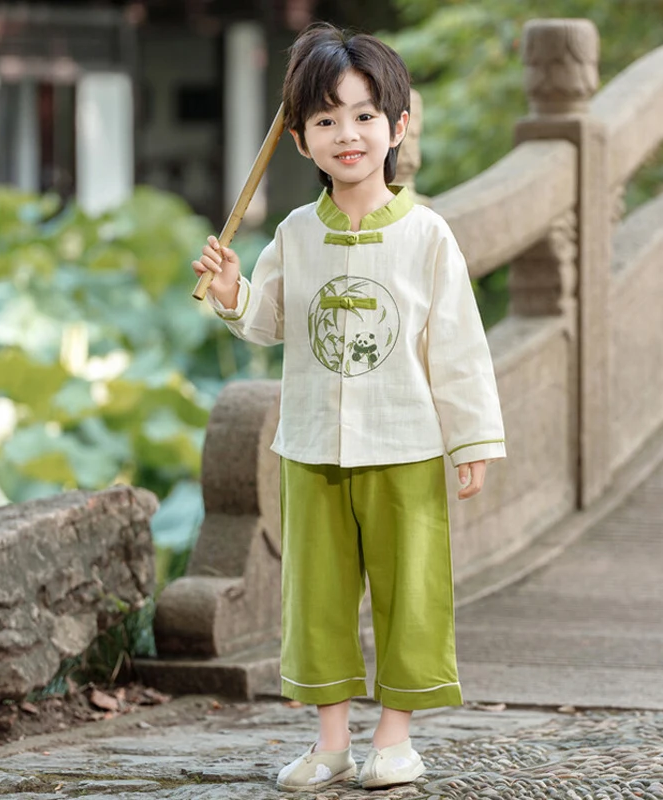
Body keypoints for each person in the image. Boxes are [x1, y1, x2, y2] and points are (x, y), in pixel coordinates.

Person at [191, 22, 506, 793]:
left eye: (365, 115)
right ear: (299, 140)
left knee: (412, 594)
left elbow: (457, 346)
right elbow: (269, 323)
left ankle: (394, 739)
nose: (347, 134)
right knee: (318, 600)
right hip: (312, 448)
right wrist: (234, 291)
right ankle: (331, 741)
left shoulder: (428, 235)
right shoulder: (296, 234)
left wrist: (472, 442)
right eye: (325, 119)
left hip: (404, 443)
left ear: (396, 127)